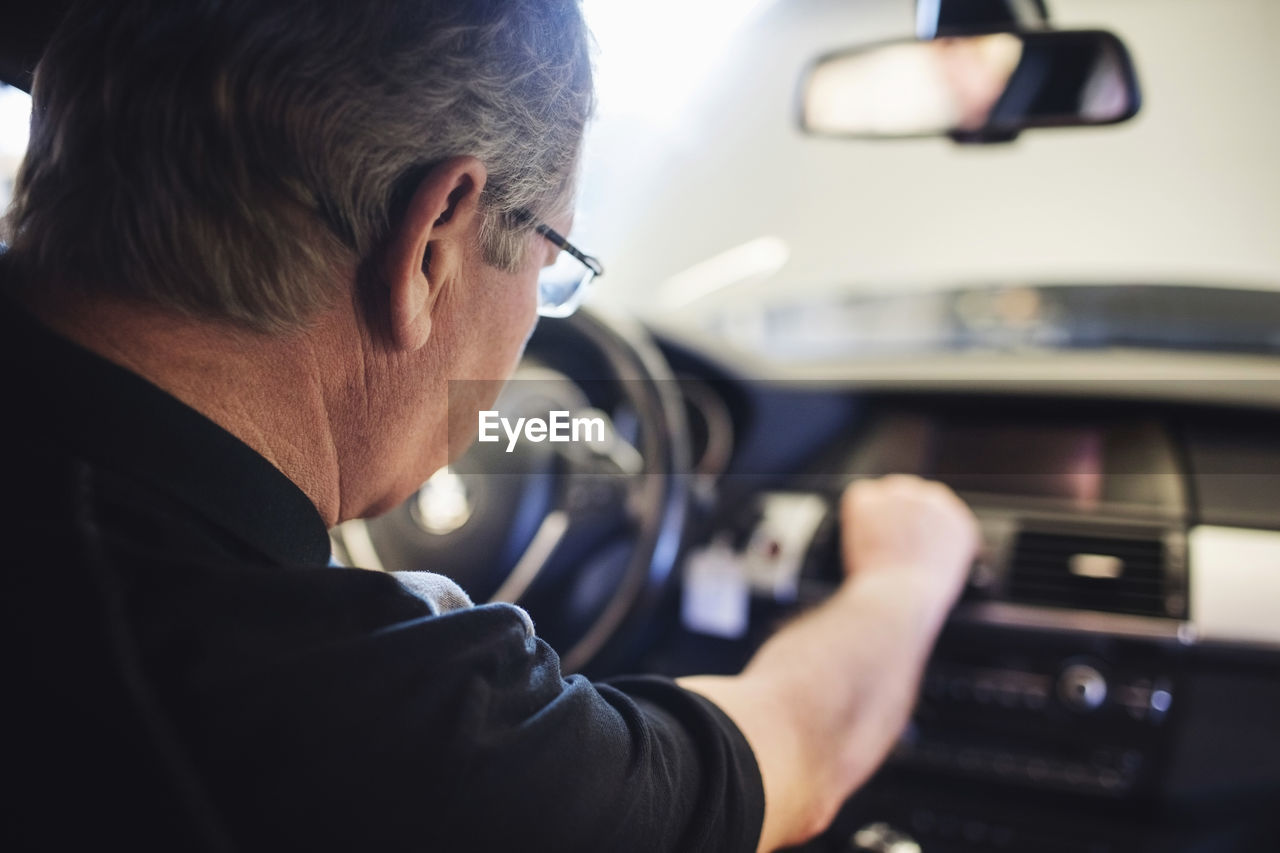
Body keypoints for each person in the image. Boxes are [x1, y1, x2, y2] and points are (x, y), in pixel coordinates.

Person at [0, 1, 979, 851]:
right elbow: (796, 752)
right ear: (432, 243)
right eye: (552, 264)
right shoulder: (352, 717)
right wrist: (904, 572)